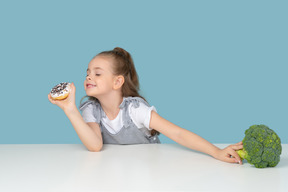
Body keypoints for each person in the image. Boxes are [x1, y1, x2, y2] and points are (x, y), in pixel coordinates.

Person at [48, 47, 243, 164]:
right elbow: (95, 145)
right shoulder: (91, 109)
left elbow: (177, 134)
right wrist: (70, 109)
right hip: (109, 173)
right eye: (87, 72)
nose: (89, 76)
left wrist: (216, 152)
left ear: (117, 82)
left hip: (149, 168)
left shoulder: (135, 110)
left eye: (98, 73)